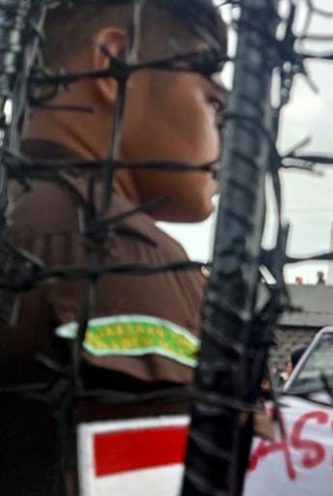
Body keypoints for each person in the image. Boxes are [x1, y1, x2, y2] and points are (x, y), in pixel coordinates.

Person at [0, 2, 227, 494]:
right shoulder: (120, 256)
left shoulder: (21, 217)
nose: (226, 135)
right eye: (214, 101)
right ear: (117, 65)